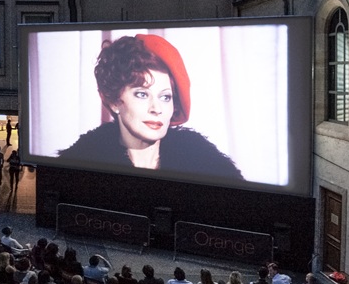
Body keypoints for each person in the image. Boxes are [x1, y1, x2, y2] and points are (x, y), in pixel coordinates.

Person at [56, 33, 243, 177]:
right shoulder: (81, 162)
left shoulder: (205, 163)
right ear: (114, 101)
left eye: (165, 97)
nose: (156, 108)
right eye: (142, 94)